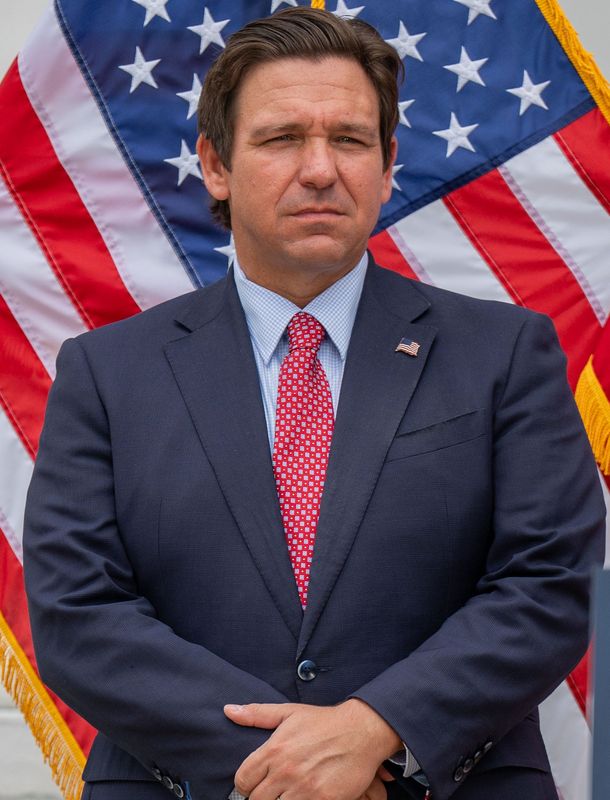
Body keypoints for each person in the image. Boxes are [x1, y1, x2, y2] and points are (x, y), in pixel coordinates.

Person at [23, 8, 605, 800]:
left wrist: (373, 732)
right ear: (217, 166)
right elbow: (76, 613)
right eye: (282, 138)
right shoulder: (107, 373)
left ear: (389, 163)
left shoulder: (505, 353)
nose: (321, 169)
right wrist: (292, 766)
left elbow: (546, 585)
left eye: (351, 140)